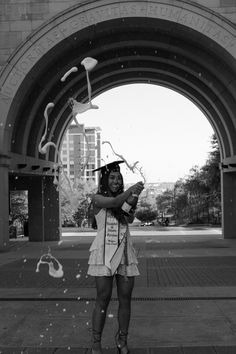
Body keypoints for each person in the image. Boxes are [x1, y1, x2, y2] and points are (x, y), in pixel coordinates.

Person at [87, 160, 144, 354]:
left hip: (125, 253)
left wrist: (135, 195)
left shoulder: (123, 200)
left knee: (125, 299)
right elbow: (113, 202)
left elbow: (127, 216)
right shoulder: (96, 198)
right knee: (102, 298)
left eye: (119, 178)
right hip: (103, 253)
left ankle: (122, 341)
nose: (116, 181)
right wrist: (130, 191)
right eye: (112, 177)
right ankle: (96, 343)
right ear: (104, 179)